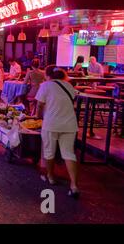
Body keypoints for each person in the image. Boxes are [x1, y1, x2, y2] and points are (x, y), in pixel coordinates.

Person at [35, 65, 80, 199]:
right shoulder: (69, 86)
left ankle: (50, 176)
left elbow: (39, 104)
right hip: (70, 124)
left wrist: (38, 116)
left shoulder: (45, 85)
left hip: (51, 123)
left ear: (51, 76)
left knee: (49, 151)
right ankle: (74, 185)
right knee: (69, 153)